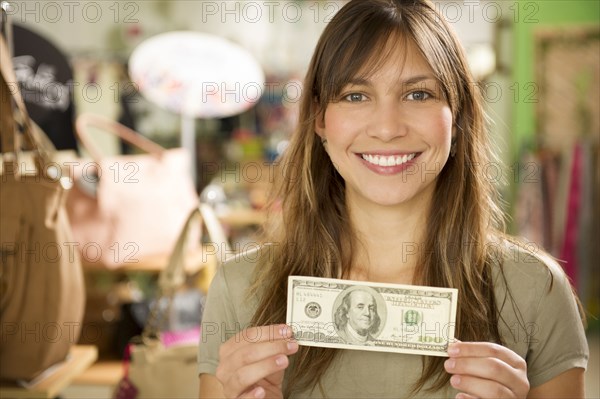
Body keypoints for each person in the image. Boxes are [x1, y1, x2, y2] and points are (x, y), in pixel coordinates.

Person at [198, 0, 589, 398]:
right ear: (319, 118)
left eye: (418, 94)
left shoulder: (534, 289)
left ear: (459, 117)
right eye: (355, 95)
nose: (387, 129)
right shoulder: (241, 289)